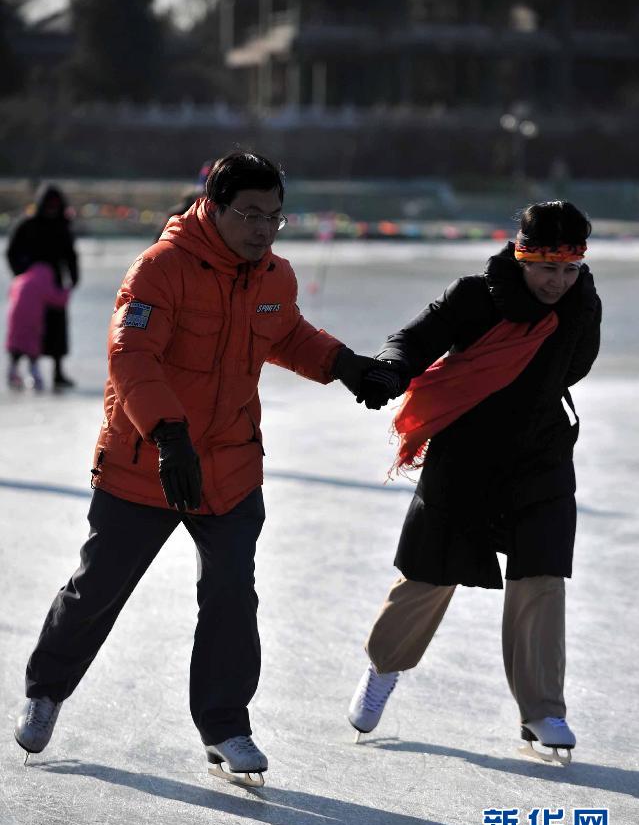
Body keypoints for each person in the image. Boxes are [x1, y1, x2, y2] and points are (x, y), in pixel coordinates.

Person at [14, 151, 391, 784]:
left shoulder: (274, 276)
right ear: (212, 208)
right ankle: (46, 689)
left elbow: (289, 334)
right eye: (249, 214)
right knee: (99, 584)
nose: (263, 229)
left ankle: (225, 726)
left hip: (231, 465)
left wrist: (347, 365)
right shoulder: (160, 270)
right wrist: (168, 434)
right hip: (146, 457)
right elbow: (130, 355)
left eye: (274, 216)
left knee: (230, 596)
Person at [347, 201, 601, 764]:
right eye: (545, 269)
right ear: (521, 254)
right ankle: (383, 669)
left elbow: (575, 366)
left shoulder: (583, 303)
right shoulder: (475, 295)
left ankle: (542, 710)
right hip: (466, 458)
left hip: (542, 459)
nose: (558, 282)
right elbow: (416, 338)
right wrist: (392, 368)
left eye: (569, 270)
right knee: (430, 576)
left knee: (543, 576)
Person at [6, 184, 79, 389]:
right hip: (30, 287)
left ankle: (57, 371)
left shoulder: (62, 227)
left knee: (56, 331)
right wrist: (22, 275)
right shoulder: (27, 225)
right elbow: (11, 251)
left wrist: (73, 278)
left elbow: (70, 256)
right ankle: (15, 366)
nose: (52, 209)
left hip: (53, 284)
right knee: (25, 329)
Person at [5, 263, 71, 389]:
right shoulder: (42, 283)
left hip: (15, 319)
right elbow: (57, 299)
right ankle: (34, 375)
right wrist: (66, 291)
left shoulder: (20, 279)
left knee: (16, 347)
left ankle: (12, 372)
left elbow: (11, 294)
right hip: (33, 322)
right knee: (31, 348)